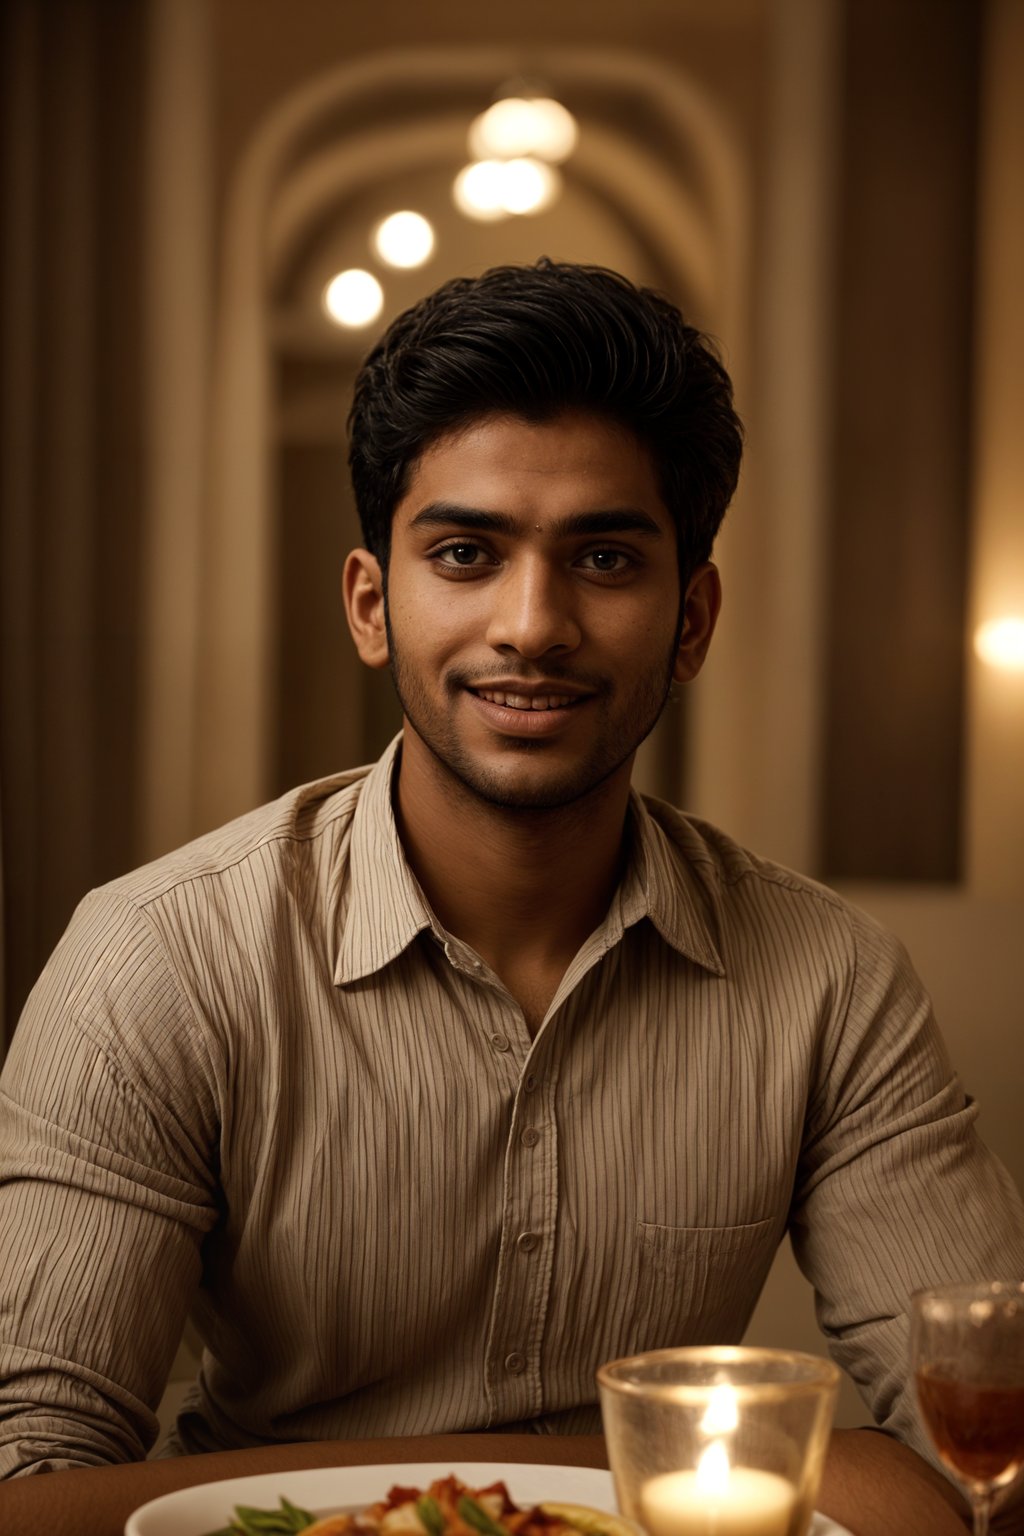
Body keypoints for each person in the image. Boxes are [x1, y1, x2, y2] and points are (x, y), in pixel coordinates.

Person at [0, 261, 1021, 1533]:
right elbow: (32, 1492)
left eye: (602, 556)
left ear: (690, 620)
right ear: (375, 604)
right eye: (467, 553)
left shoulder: (827, 978)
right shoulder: (158, 957)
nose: (532, 624)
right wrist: (528, 1490)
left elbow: (981, 1454)